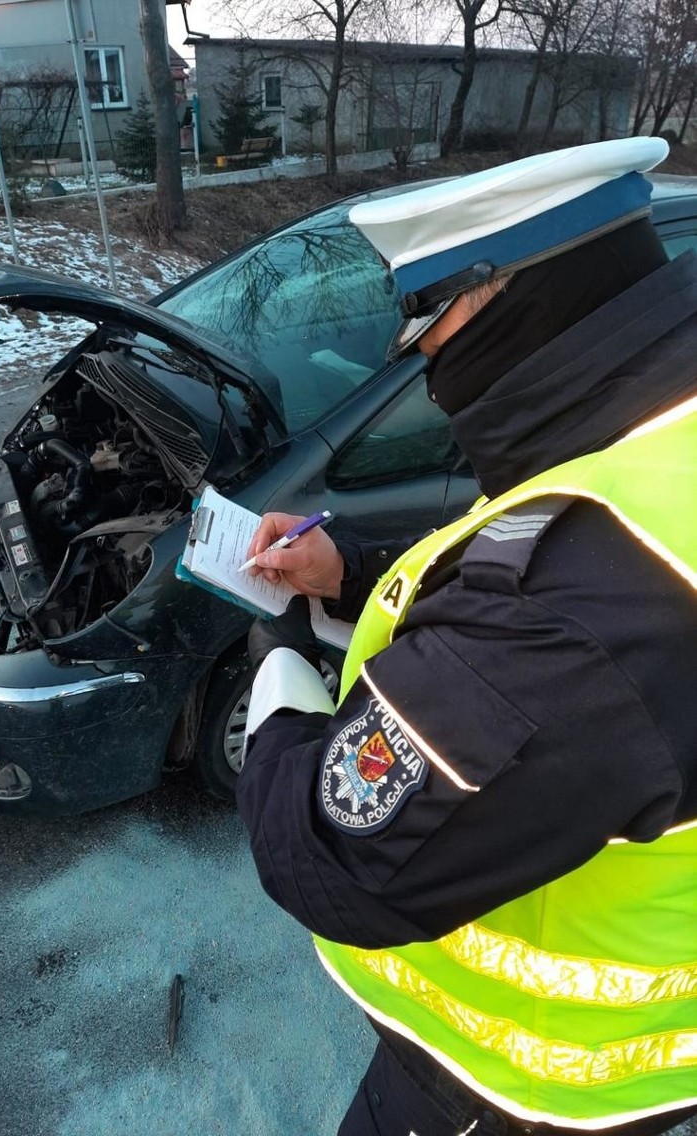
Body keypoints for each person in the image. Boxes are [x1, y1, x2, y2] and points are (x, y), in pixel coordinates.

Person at [235, 136, 697, 1136]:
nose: (429, 365)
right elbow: (533, 529)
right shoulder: (658, 427)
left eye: (428, 325)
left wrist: (274, 674)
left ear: (510, 297)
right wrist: (348, 567)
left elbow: (331, 856)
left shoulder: (576, 619)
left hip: (517, 1085)